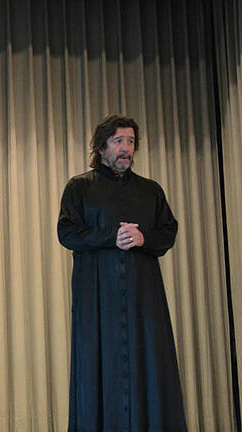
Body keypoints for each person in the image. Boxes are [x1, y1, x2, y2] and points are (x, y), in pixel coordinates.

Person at [57, 114, 187, 431]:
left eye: (130, 142)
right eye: (118, 141)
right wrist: (109, 236)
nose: (125, 148)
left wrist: (144, 239)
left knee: (149, 366)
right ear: (101, 147)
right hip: (97, 301)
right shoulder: (79, 187)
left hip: (144, 301)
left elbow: (168, 232)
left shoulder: (151, 190)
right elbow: (67, 233)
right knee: (98, 369)